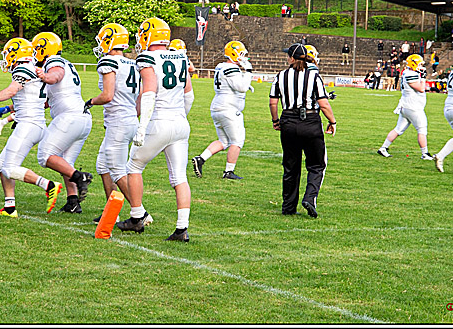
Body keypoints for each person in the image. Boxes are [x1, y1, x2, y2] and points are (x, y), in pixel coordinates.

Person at [118, 17, 194, 242]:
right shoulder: (181, 56)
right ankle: (182, 229)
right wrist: (181, 116)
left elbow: (149, 92)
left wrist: (142, 127)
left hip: (160, 121)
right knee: (179, 177)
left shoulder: (147, 57)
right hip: (180, 122)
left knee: (134, 166)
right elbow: (189, 95)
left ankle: (136, 217)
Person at [0, 38, 63, 217]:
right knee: (1, 165)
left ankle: (48, 185)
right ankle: (10, 207)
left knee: (9, 168)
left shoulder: (23, 68)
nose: (6, 57)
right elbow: (28, 97)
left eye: (8, 53)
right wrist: (8, 109)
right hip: (32, 123)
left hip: (29, 124)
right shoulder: (33, 68)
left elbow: (12, 90)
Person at [269, 43, 337, 218]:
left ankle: (288, 207)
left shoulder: (281, 75)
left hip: (288, 121)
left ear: (292, 58)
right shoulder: (314, 76)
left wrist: (276, 120)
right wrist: (332, 121)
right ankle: (310, 198)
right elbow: (323, 103)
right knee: (316, 164)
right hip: (310, 121)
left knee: (291, 166)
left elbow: (273, 102)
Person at [32, 32, 94, 214]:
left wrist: (45, 77)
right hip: (82, 118)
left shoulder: (53, 62)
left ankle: (80, 177)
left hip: (69, 117)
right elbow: (48, 100)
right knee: (65, 162)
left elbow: (56, 75)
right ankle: (73, 202)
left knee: (45, 155)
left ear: (44, 48)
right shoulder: (66, 63)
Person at [89, 24, 139, 221]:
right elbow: (140, 97)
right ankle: (112, 213)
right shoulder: (132, 63)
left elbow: (107, 95)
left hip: (119, 121)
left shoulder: (108, 62)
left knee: (117, 171)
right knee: (103, 166)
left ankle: (140, 212)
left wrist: (90, 102)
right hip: (129, 119)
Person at [192, 40, 254, 180]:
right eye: (241, 54)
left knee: (224, 141)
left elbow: (231, 84)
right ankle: (228, 171)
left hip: (218, 106)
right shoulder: (231, 68)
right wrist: (248, 72)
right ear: (234, 53)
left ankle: (201, 159)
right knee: (237, 141)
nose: (243, 57)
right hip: (229, 109)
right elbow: (241, 87)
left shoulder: (221, 66)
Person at [377, 55, 434, 160]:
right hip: (413, 107)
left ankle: (383, 148)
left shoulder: (408, 72)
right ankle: (425, 153)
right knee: (422, 129)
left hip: (406, 105)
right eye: (419, 64)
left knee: (398, 129)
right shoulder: (411, 74)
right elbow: (421, 88)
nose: (421, 66)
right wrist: (423, 78)